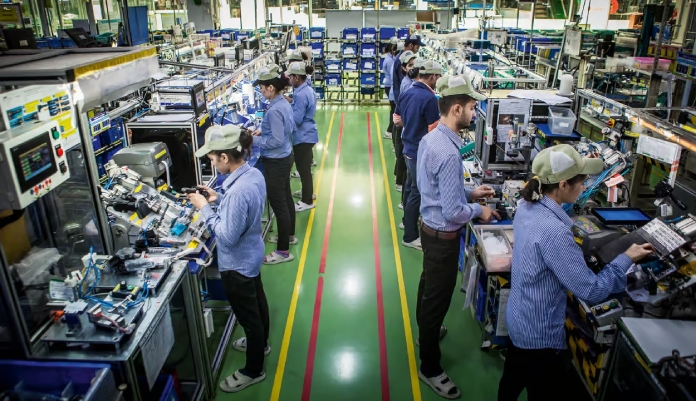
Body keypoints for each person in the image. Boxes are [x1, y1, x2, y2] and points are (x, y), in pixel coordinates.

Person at [497, 144, 654, 401]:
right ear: (562, 185)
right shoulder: (555, 232)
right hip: (540, 336)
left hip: (519, 319)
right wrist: (627, 258)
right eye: (582, 181)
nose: (585, 186)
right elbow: (591, 290)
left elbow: (554, 215)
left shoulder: (527, 206)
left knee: (512, 380)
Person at [416, 75, 498, 399]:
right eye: (473, 107)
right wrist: (480, 210)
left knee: (428, 287)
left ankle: (426, 332)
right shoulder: (450, 154)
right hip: (443, 239)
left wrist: (469, 192)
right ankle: (430, 368)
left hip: (428, 229)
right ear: (457, 108)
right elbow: (453, 212)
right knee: (437, 299)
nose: (475, 113)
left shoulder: (432, 138)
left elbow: (433, 189)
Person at [186, 125, 270, 393]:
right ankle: (261, 344)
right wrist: (218, 199)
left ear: (224, 157)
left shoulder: (237, 191)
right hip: (252, 253)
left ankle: (253, 370)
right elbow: (243, 209)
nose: (211, 163)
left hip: (237, 263)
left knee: (249, 318)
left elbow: (226, 236)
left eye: (212, 158)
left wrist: (204, 208)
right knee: (258, 303)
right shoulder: (252, 174)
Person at [393, 60, 443, 251]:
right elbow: (433, 130)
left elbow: (396, 119)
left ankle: (406, 221)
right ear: (433, 76)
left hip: (408, 148)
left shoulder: (407, 92)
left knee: (409, 186)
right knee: (417, 192)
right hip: (420, 152)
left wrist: (410, 125)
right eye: (438, 77)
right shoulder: (430, 99)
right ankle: (410, 236)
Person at [252, 64, 297, 264]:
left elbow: (277, 141)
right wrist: (265, 130)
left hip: (276, 161)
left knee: (279, 205)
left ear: (271, 87)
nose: (261, 91)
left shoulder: (274, 110)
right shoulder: (283, 103)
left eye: (262, 88)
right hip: (285, 156)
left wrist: (254, 140)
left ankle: (283, 252)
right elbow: (288, 127)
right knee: (286, 198)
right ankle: (289, 235)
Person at [286, 61, 318, 213]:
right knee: (304, 169)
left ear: (297, 77)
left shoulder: (300, 94)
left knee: (303, 170)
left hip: (302, 136)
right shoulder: (306, 90)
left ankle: (307, 200)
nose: (289, 80)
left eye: (290, 77)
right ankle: (308, 192)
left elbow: (296, 120)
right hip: (308, 133)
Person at [392, 50, 417, 197]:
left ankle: (399, 182)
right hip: (406, 130)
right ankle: (400, 187)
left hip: (404, 128)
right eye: (410, 65)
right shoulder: (408, 85)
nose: (413, 68)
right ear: (403, 67)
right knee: (407, 168)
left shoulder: (408, 82)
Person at [391, 33, 425, 105]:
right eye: (417, 47)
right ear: (411, 45)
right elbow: (405, 82)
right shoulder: (402, 61)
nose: (417, 50)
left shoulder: (401, 57)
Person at [382, 37, 398, 140]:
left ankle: (390, 131)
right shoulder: (390, 61)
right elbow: (394, 76)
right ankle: (389, 131)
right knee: (394, 110)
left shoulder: (390, 58)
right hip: (390, 87)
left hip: (389, 86)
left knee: (393, 110)